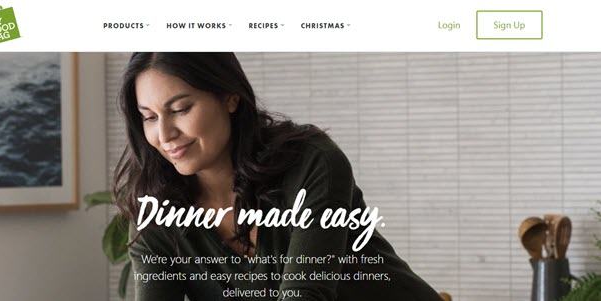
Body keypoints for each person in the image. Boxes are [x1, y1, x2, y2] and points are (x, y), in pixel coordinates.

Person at [114, 52, 443, 301]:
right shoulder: (155, 208)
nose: (164, 133)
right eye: (149, 117)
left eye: (181, 109)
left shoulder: (312, 163)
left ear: (230, 97)